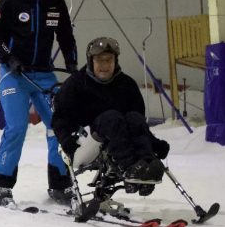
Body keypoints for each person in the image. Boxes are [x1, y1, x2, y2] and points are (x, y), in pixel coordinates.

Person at [0, 0, 79, 207]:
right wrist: (9, 58)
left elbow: (66, 36)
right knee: (16, 128)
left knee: (59, 127)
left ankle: (60, 184)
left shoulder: (55, 2)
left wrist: (72, 62)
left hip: (44, 75)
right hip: (14, 74)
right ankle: (1, 186)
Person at [51, 37, 170, 193]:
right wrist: (68, 143)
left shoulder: (126, 84)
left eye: (109, 60)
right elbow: (60, 119)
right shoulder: (76, 85)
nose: (105, 66)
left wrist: (154, 143)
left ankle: (146, 166)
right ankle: (129, 169)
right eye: (100, 60)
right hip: (83, 145)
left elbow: (138, 124)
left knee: (133, 117)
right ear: (91, 61)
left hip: (116, 143)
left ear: (116, 61)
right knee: (111, 117)